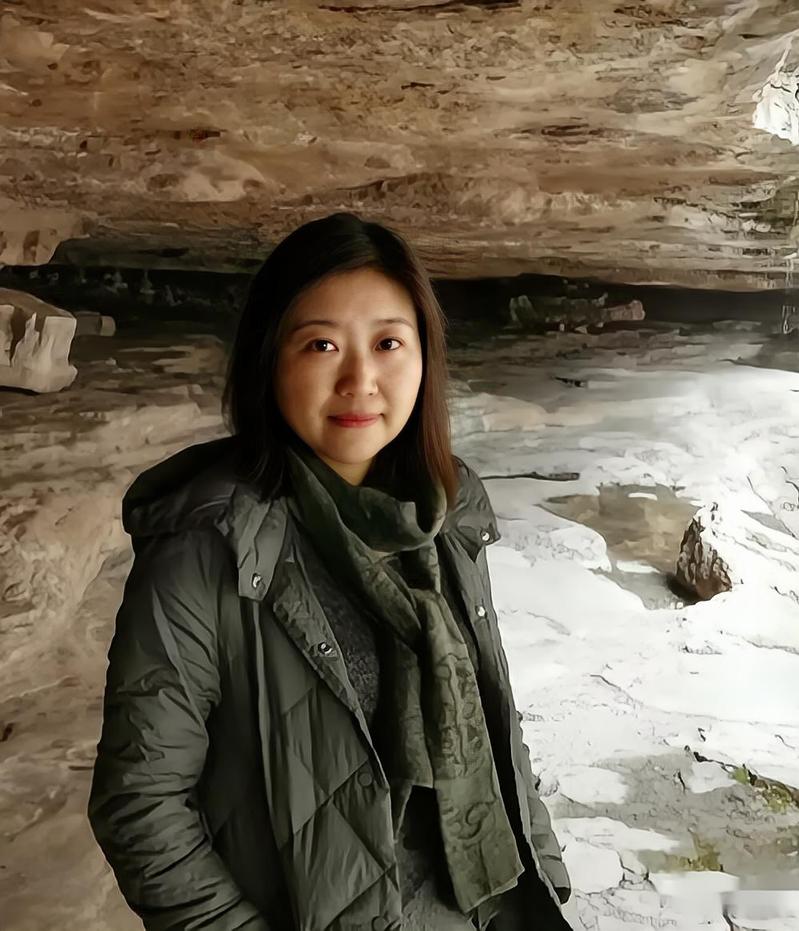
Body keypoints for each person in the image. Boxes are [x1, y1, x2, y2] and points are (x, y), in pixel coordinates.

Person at [87, 212, 572, 931]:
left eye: (387, 343)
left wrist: (546, 874)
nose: (359, 380)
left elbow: (494, 711)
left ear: (424, 358)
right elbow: (140, 802)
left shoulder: (445, 516)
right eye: (321, 344)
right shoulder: (208, 545)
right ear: (269, 359)